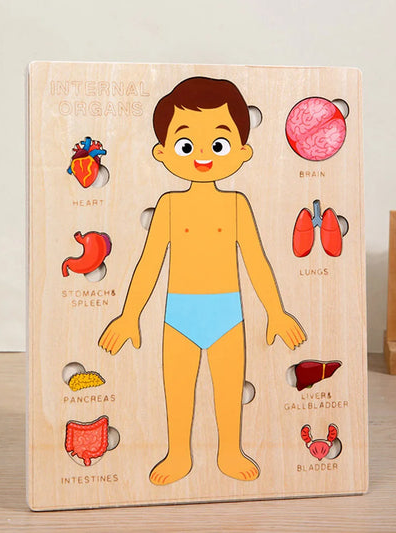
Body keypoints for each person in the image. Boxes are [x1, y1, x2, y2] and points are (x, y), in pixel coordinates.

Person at [99, 76, 306, 485]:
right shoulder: (168, 206)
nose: (203, 156)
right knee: (178, 390)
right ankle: (178, 453)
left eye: (219, 144)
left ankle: (230, 451)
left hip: (228, 314)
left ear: (243, 151)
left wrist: (277, 312)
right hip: (179, 315)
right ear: (162, 152)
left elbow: (257, 262)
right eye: (186, 145)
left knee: (228, 390)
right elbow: (148, 264)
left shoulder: (237, 205)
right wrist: (129, 315)